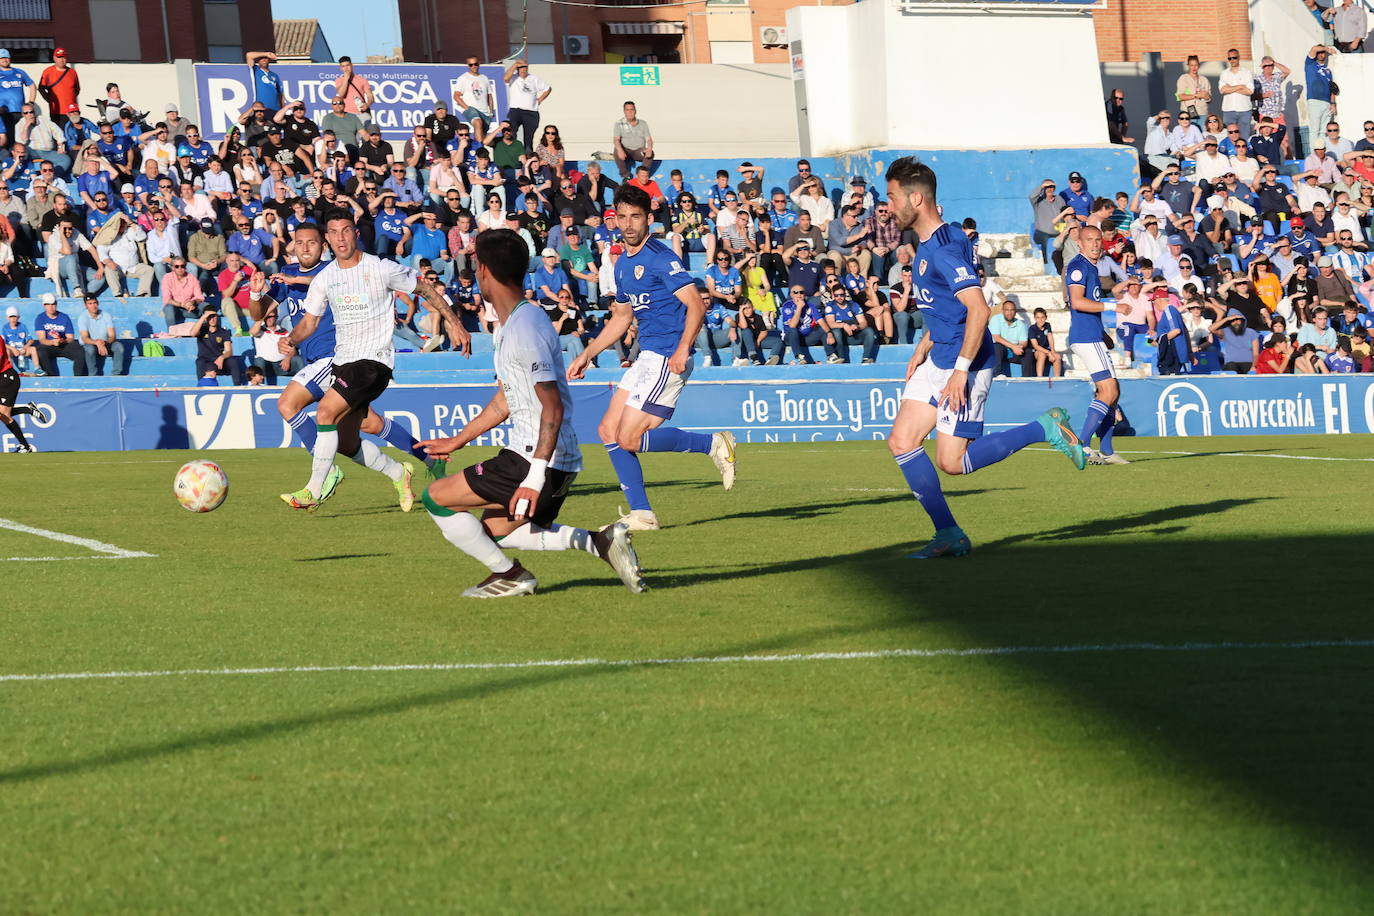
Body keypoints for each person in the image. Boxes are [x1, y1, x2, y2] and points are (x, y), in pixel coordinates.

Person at [413, 228, 643, 597]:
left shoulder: (525, 326)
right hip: (544, 456)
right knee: (496, 532)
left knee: (435, 497)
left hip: (538, 458)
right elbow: (506, 399)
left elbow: (551, 403)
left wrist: (534, 477)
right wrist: (457, 441)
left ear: (485, 271)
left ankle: (512, 575)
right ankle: (600, 542)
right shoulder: (514, 324)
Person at [883, 157, 1082, 559]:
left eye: (892, 197)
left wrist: (959, 372)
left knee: (952, 463)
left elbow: (978, 309)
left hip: (968, 364)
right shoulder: (942, 239)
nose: (887, 206)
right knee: (902, 440)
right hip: (939, 356)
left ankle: (1045, 428)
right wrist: (924, 344)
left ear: (916, 199)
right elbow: (944, 305)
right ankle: (949, 534)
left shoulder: (942, 251)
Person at [564, 184, 736, 531]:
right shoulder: (624, 264)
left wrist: (684, 347)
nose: (628, 224)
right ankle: (642, 514)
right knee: (607, 430)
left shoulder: (661, 257)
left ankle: (713, 443)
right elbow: (623, 318)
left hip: (667, 354)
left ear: (648, 219)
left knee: (629, 438)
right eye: (622, 216)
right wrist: (588, 353)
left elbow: (695, 304)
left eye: (636, 217)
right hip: (647, 358)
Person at [280, 212, 469, 509]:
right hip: (344, 364)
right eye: (334, 232)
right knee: (346, 442)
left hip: (373, 363)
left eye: (346, 231)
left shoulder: (380, 268)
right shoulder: (325, 279)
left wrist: (455, 323)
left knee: (325, 413)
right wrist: (291, 340)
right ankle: (402, 471)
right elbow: (310, 322)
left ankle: (314, 489)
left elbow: (424, 288)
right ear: (328, 239)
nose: (340, 238)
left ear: (355, 234)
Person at [1065, 226, 1127, 466]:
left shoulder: (1092, 267)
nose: (1095, 244)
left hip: (1093, 334)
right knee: (1108, 391)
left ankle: (1107, 450)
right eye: (1089, 240)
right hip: (1084, 337)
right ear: (1079, 243)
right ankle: (1080, 445)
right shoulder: (1079, 266)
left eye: (1098, 240)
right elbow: (1078, 301)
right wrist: (1114, 307)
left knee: (1114, 392)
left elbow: (1089, 304)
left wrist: (1103, 333)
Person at [0, 320, 46, 452]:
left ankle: (25, 446)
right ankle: (27, 409)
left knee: (4, 415)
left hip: (7, 378)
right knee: (3, 415)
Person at [503, 60, 550, 153]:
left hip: (531, 111)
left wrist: (540, 100)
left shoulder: (534, 78)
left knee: (528, 138)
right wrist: (515, 65)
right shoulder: (513, 77)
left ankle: (528, 157)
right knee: (512, 132)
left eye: (525, 67)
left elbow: (547, 88)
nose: (523, 69)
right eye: (520, 67)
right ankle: (513, 154)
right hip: (516, 110)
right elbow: (505, 78)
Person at [76, 294, 125, 377]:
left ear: (98, 303)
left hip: (105, 343)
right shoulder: (82, 317)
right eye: (90, 303)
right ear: (85, 305)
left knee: (118, 347)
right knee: (90, 349)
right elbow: (84, 338)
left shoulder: (106, 315)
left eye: (95, 303)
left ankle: (116, 374)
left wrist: (103, 342)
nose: (93, 306)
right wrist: (97, 343)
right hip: (91, 344)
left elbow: (112, 336)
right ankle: (93, 375)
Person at [612, 101, 655, 180]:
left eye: (632, 109)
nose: (630, 112)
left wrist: (649, 148)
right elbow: (616, 139)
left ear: (635, 111)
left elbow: (649, 139)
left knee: (650, 153)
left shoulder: (643, 123)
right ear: (624, 111)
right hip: (626, 152)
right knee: (616, 149)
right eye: (627, 110)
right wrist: (620, 149)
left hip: (639, 152)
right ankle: (626, 176)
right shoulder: (619, 124)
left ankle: (642, 176)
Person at [988, 300, 1029, 377]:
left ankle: (1027, 377)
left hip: (1014, 352)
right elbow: (996, 337)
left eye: (1012, 310)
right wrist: (1013, 346)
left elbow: (1024, 342)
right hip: (1000, 352)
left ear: (1015, 312)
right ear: (1002, 311)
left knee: (1028, 351)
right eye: (1007, 310)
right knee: (997, 346)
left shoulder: (1020, 324)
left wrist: (1019, 347)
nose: (1009, 313)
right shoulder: (995, 319)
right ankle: (998, 374)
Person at [1026, 307, 1061, 377]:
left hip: (1046, 350)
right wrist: (1049, 353)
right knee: (1042, 354)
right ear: (1035, 318)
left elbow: (1050, 337)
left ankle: (1057, 378)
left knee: (1057, 356)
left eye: (1042, 317)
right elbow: (1035, 346)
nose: (1040, 320)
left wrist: (1053, 351)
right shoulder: (1032, 329)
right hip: (1036, 351)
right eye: (1038, 317)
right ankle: (1039, 377)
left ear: (1046, 317)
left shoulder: (1047, 325)